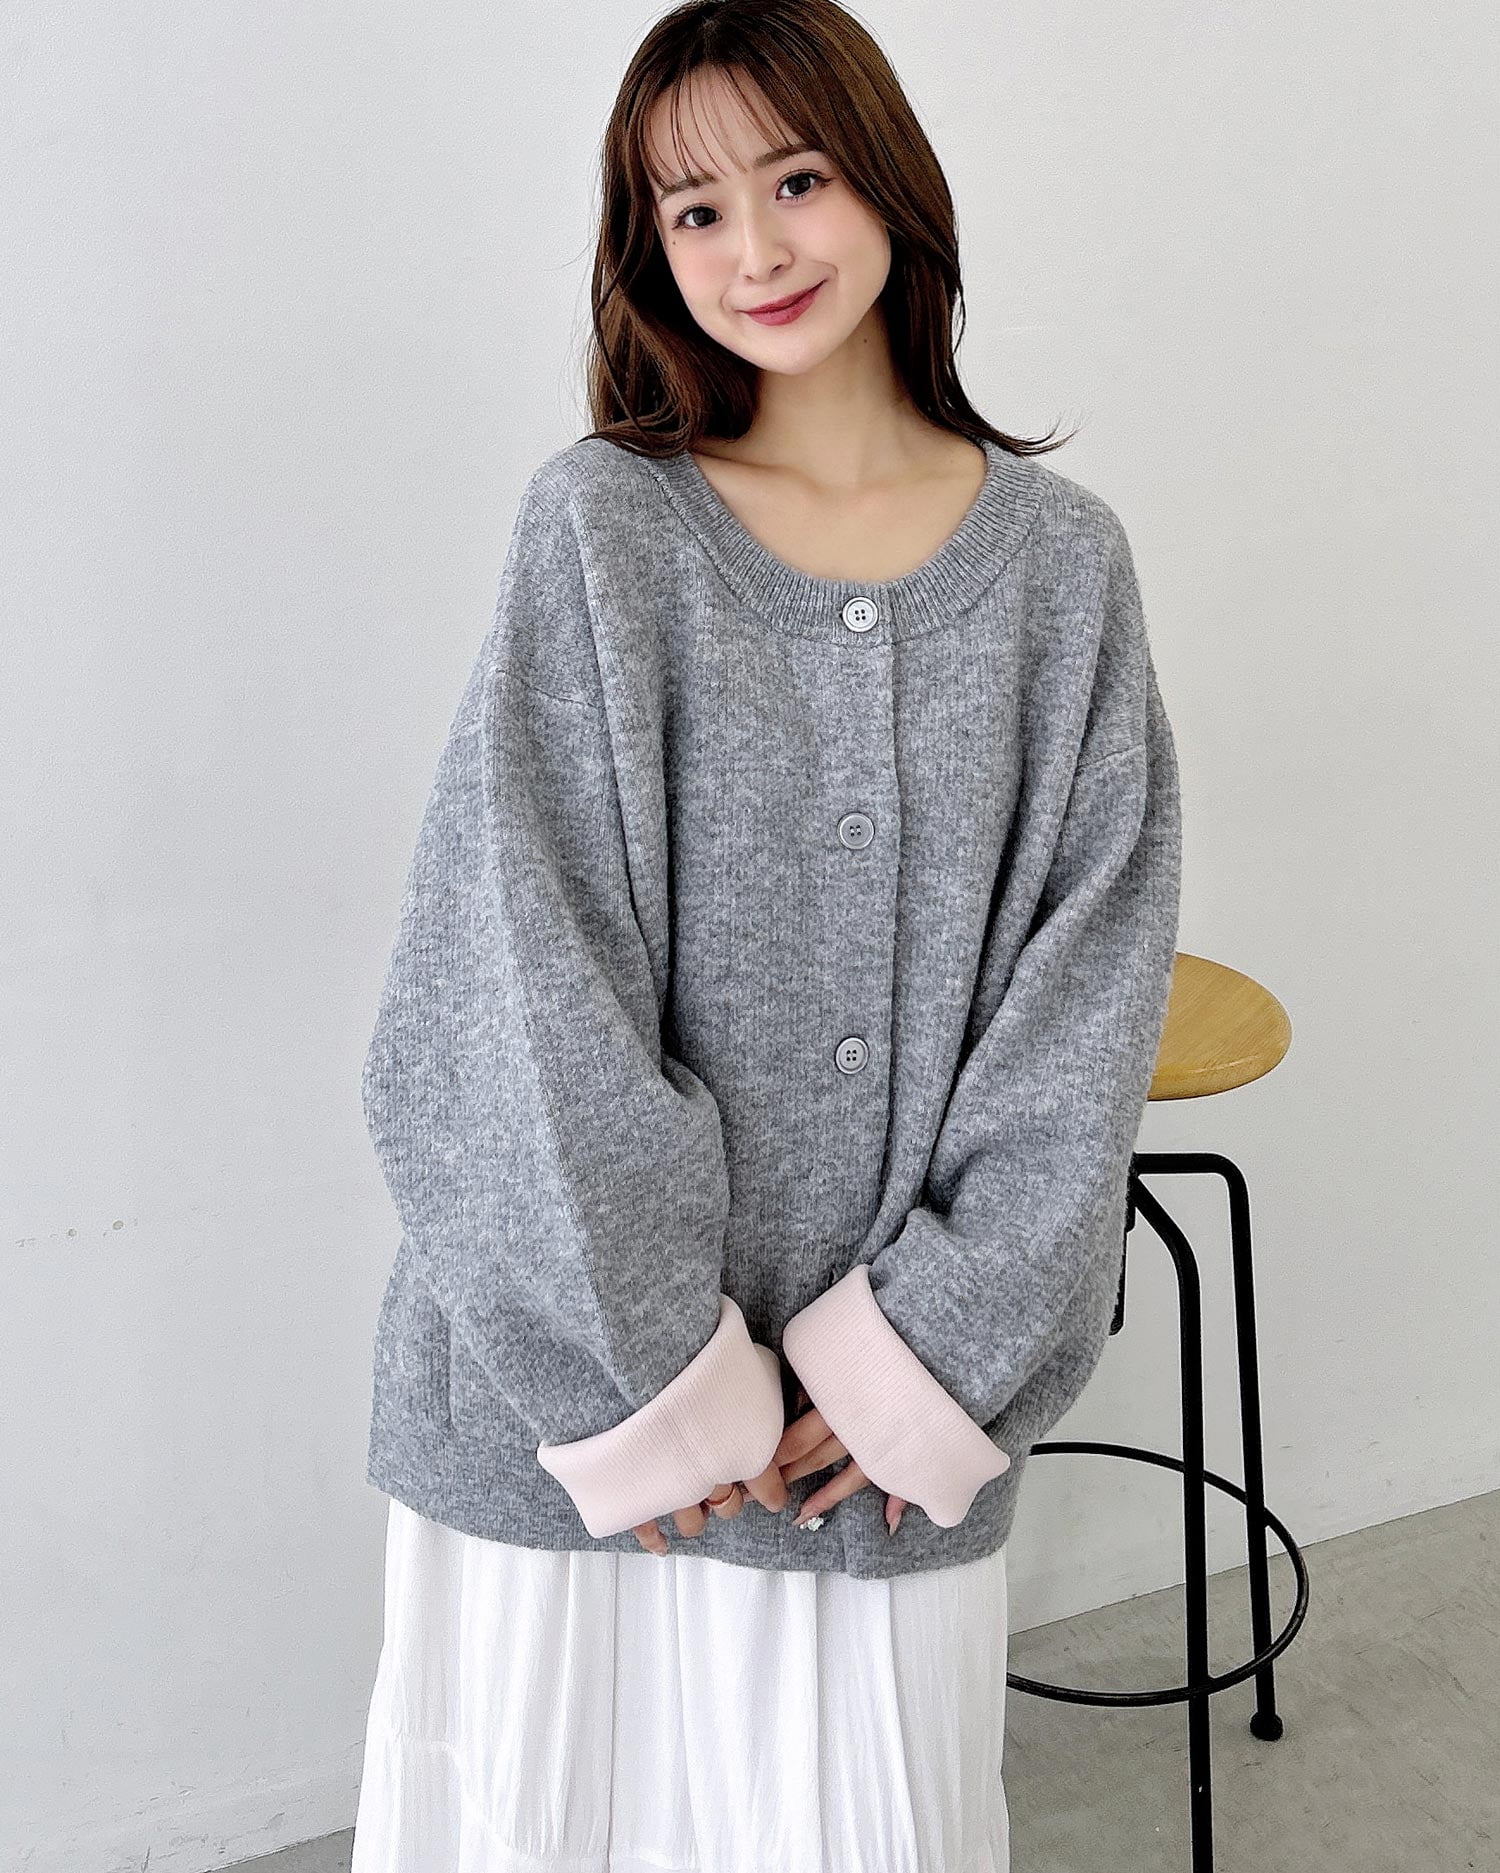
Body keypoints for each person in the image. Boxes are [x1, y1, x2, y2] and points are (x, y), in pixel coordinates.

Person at [350, 1, 1183, 1867]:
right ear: (648, 250)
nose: (758, 250)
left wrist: (921, 1358)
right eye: (696, 210)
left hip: (862, 1463)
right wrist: (651, 1371)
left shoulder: (1062, 570)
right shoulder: (603, 531)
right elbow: (505, 977)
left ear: (888, 181)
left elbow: (1086, 1000)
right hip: (576, 1430)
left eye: (796, 180)